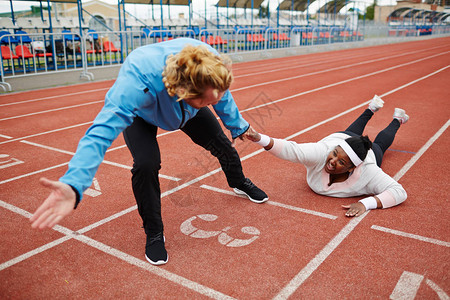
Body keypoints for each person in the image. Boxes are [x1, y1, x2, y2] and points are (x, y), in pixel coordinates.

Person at [30, 38, 268, 265]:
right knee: (146, 164)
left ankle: (239, 182)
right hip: (142, 114)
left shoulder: (208, 61)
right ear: (184, 94)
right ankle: (154, 232)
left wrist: (238, 126)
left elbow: (221, 96)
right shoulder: (134, 84)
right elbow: (100, 133)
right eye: (207, 103)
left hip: (187, 106)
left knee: (222, 144)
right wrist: (74, 183)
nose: (214, 103)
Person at [245, 95, 409, 217]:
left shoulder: (368, 171)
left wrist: (366, 203)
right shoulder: (322, 152)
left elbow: (399, 192)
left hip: (369, 154)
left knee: (380, 144)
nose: (332, 162)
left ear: (352, 167)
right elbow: (291, 149)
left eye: (341, 162)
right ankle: (371, 109)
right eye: (335, 154)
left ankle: (398, 119)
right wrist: (259, 138)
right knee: (350, 132)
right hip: (338, 137)